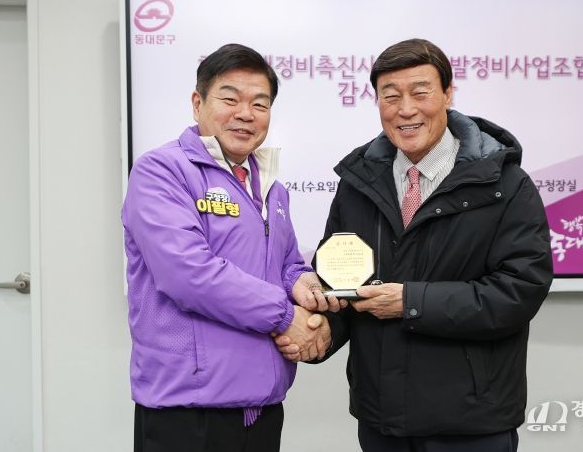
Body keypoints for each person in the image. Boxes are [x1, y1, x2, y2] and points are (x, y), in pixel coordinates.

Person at [276, 38, 554, 452]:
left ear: (448, 94)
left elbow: (518, 291)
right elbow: (343, 283)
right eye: (390, 96)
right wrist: (319, 332)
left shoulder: (505, 185)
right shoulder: (358, 183)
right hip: (381, 418)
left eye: (420, 92)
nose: (405, 109)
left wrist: (410, 302)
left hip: (471, 422)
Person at [122, 43, 335, 452]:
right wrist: (285, 315)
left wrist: (305, 285)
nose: (246, 114)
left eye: (260, 104)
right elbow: (188, 274)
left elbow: (286, 263)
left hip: (263, 404)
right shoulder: (161, 171)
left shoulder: (270, 186)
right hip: (189, 410)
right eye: (230, 99)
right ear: (197, 103)